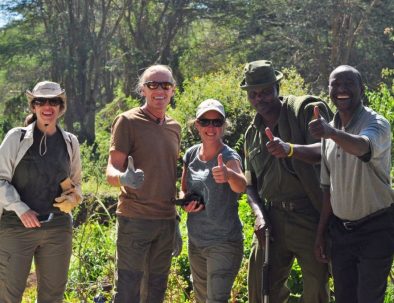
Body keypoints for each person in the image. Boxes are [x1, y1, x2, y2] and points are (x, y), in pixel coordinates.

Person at [241, 60, 331, 303]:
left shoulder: (303, 110)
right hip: (272, 220)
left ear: (277, 88)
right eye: (254, 94)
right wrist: (259, 214)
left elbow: (332, 149)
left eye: (266, 91)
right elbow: (250, 183)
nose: (260, 98)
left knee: (316, 288)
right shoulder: (252, 133)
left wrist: (290, 149)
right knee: (261, 288)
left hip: (311, 215)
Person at [310, 65, 394, 303]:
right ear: (328, 90)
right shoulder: (330, 130)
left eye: (348, 83)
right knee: (345, 298)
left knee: (368, 298)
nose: (342, 89)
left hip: (376, 229)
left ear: (362, 89)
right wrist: (321, 234)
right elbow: (328, 189)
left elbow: (363, 147)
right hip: (341, 233)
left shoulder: (377, 123)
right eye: (335, 84)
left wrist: (330, 133)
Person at [0, 80, 82, 303]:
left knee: (53, 296)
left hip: (58, 226)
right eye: (41, 101)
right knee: (8, 294)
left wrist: (73, 197)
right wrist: (21, 209)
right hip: (16, 226)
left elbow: (76, 183)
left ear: (61, 106)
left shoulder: (70, 142)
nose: (48, 106)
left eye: (54, 101)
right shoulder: (16, 137)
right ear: (33, 106)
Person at [106, 64, 182, 303]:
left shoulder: (175, 127)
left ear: (173, 90)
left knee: (156, 290)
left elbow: (169, 176)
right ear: (142, 90)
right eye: (152, 84)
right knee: (129, 291)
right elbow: (110, 171)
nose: (159, 90)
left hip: (165, 222)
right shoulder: (127, 121)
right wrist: (123, 179)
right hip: (135, 219)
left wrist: (176, 221)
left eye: (165, 85)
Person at [180, 99, 246, 302]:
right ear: (197, 125)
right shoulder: (191, 154)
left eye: (217, 122)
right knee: (201, 299)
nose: (211, 127)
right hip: (196, 241)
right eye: (205, 122)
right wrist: (186, 203)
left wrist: (229, 176)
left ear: (223, 125)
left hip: (224, 242)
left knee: (216, 299)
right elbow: (183, 190)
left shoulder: (228, 156)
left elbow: (242, 186)